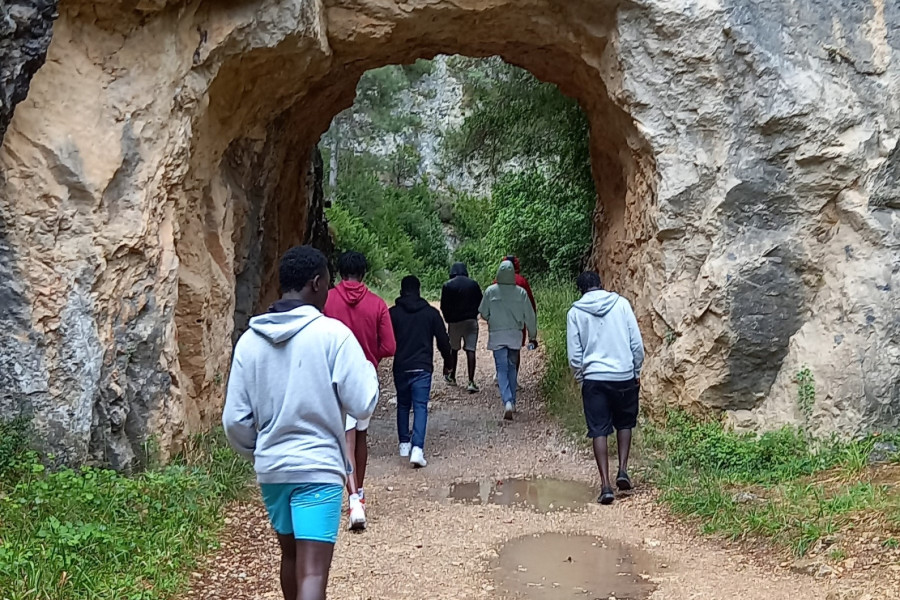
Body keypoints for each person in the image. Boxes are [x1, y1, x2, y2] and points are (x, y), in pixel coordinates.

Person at [223, 245, 379, 600]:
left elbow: (235, 420)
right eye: (327, 283)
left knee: (290, 559)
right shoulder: (332, 335)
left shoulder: (250, 342)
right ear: (316, 283)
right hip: (317, 470)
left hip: (273, 471)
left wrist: (260, 450)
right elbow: (363, 402)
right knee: (312, 572)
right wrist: (368, 371)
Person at [324, 251, 396, 526]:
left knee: (345, 437)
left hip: (334, 375)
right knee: (361, 436)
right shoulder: (377, 304)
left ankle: (353, 499)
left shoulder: (327, 300)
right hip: (365, 374)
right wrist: (370, 356)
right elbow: (390, 346)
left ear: (339, 272)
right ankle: (359, 493)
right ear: (364, 273)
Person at [566, 271, 644, 505]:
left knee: (598, 429)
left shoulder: (575, 313)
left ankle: (605, 485)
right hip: (623, 374)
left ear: (580, 290)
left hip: (594, 378)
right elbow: (636, 343)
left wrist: (582, 377)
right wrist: (635, 370)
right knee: (625, 423)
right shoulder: (621, 304)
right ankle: (622, 470)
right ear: (602, 284)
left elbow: (574, 353)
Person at [389, 275, 452, 467]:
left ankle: (404, 444)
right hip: (423, 367)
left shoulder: (393, 314)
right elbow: (443, 340)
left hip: (401, 366)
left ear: (401, 291)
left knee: (402, 404)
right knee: (420, 406)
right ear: (419, 290)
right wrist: (448, 362)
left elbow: (385, 340)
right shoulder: (431, 313)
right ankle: (417, 449)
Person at [479, 260, 537, 420]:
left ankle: (507, 401)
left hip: (497, 334)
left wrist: (492, 319)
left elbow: (483, 313)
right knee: (512, 367)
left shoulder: (491, 291)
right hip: (515, 335)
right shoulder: (521, 292)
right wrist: (532, 336)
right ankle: (513, 400)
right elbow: (530, 317)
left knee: (501, 368)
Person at [439, 262, 483, 393]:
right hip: (471, 321)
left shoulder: (448, 285)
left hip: (455, 322)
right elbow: (480, 302)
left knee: (454, 349)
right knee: (471, 350)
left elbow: (444, 305)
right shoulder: (473, 284)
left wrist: (448, 318)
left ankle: (452, 377)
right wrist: (475, 314)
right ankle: (471, 381)